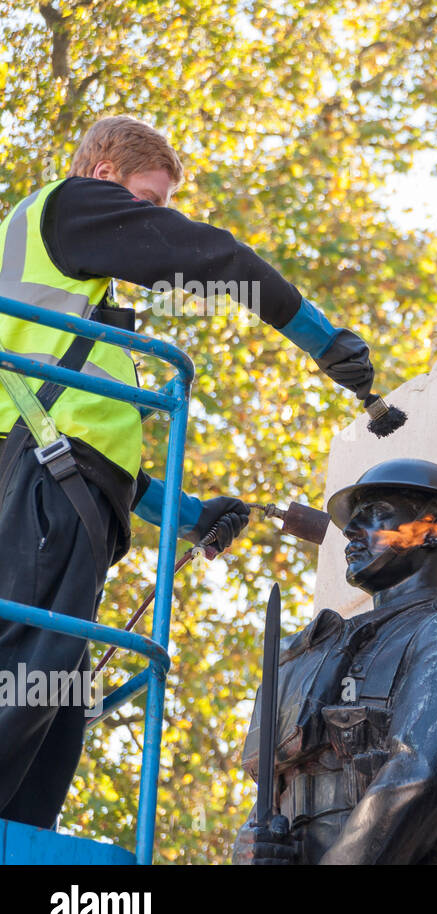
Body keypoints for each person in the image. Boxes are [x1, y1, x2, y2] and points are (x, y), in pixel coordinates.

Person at [0, 115, 376, 828]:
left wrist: (189, 512)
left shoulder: (68, 306)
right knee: (23, 689)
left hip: (55, 492)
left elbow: (93, 455)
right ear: (103, 173)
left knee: (48, 712)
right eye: (148, 203)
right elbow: (214, 259)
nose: (152, 224)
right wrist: (320, 339)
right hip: (45, 496)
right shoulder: (71, 205)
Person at [234, 459, 437, 864]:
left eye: (376, 516)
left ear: (434, 528)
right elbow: (278, 793)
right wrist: (250, 846)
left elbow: (420, 775)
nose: (350, 531)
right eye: (353, 521)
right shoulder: (317, 652)